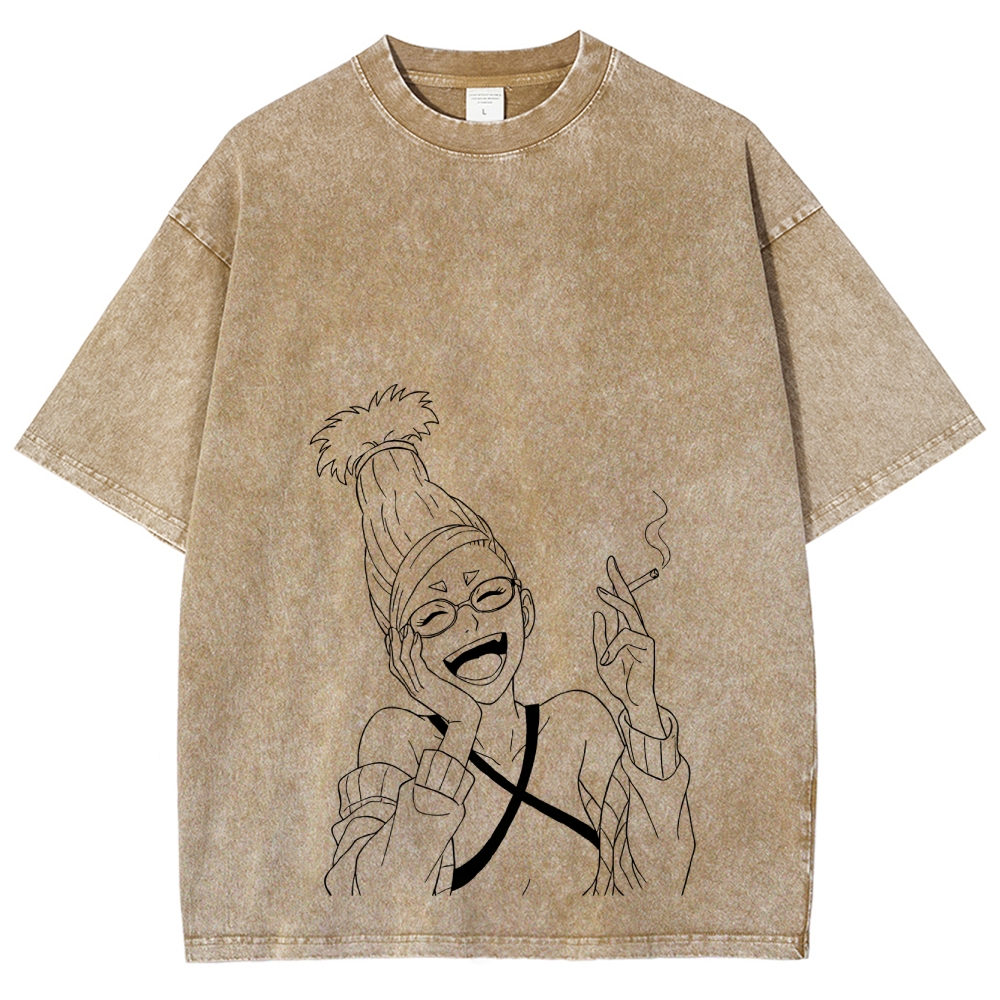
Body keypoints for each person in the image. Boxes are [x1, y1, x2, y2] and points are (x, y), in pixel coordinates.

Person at [312, 384, 695, 897]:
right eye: (433, 615)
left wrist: (643, 711)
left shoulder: (578, 723)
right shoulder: (397, 738)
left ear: (525, 608)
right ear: (401, 652)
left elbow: (662, 886)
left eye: (490, 594)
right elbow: (374, 897)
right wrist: (460, 725)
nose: (470, 625)